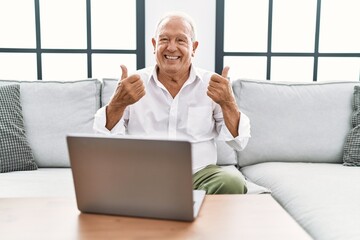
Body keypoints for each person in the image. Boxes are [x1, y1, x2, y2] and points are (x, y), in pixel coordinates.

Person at [93, 12, 251, 194]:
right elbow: (102, 140)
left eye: (181, 40)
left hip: (198, 175)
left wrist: (228, 102)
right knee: (107, 180)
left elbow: (239, 143)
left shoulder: (212, 85)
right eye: (164, 40)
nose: (171, 47)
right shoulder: (133, 84)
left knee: (232, 181)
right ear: (154, 45)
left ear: (194, 47)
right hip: (142, 175)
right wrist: (118, 104)